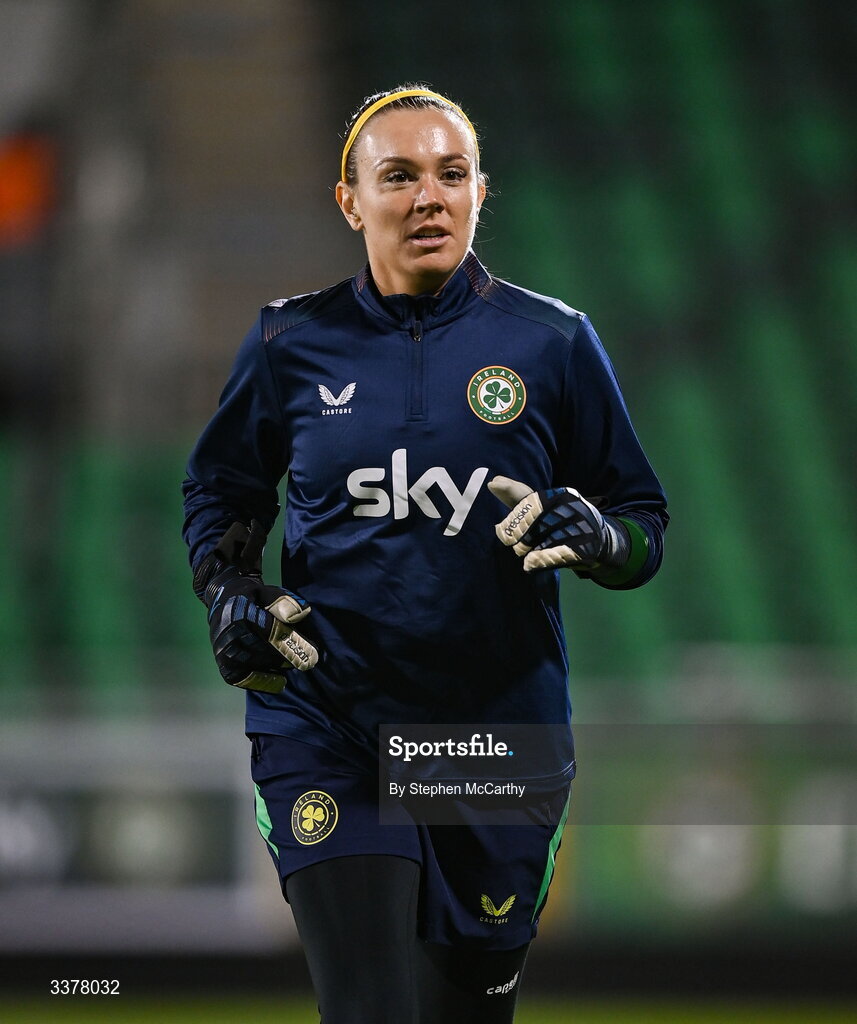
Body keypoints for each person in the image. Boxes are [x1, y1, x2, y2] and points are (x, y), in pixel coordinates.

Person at [182, 84, 668, 1023]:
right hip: (327, 725)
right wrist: (228, 592)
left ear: (481, 190)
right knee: (368, 1010)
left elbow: (642, 521)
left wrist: (601, 537)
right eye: (398, 176)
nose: (428, 196)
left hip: (492, 739)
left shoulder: (553, 342)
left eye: (450, 174)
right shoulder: (289, 342)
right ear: (350, 200)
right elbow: (222, 493)